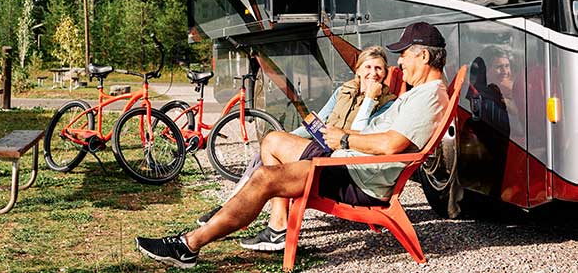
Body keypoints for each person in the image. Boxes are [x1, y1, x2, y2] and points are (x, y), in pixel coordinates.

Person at [136, 22, 449, 269]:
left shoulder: (428, 96)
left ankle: (188, 245)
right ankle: (276, 226)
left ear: (423, 55)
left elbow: (392, 144)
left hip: (353, 175)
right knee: (273, 141)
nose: (400, 61)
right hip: (347, 161)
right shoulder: (421, 93)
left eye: (404, 54)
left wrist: (342, 138)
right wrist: (338, 139)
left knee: (265, 178)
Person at [196, 45, 398, 250]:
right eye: (368, 67)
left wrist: (370, 99)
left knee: (271, 148)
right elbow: (318, 121)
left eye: (379, 69)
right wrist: (288, 138)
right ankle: (236, 209)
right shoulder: (343, 91)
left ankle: (259, 221)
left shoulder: (387, 104)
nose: (373, 73)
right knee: (266, 149)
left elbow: (358, 135)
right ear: (358, 70)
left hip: (342, 159)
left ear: (385, 74)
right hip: (324, 148)